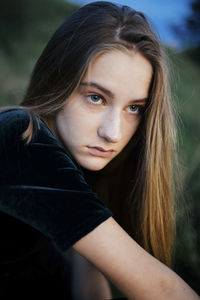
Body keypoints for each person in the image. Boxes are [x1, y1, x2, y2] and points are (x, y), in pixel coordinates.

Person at [0, 1, 199, 299]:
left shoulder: (75, 153)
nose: (113, 133)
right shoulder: (23, 138)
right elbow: (164, 290)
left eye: (134, 108)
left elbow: (90, 286)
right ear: (60, 80)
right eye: (96, 98)